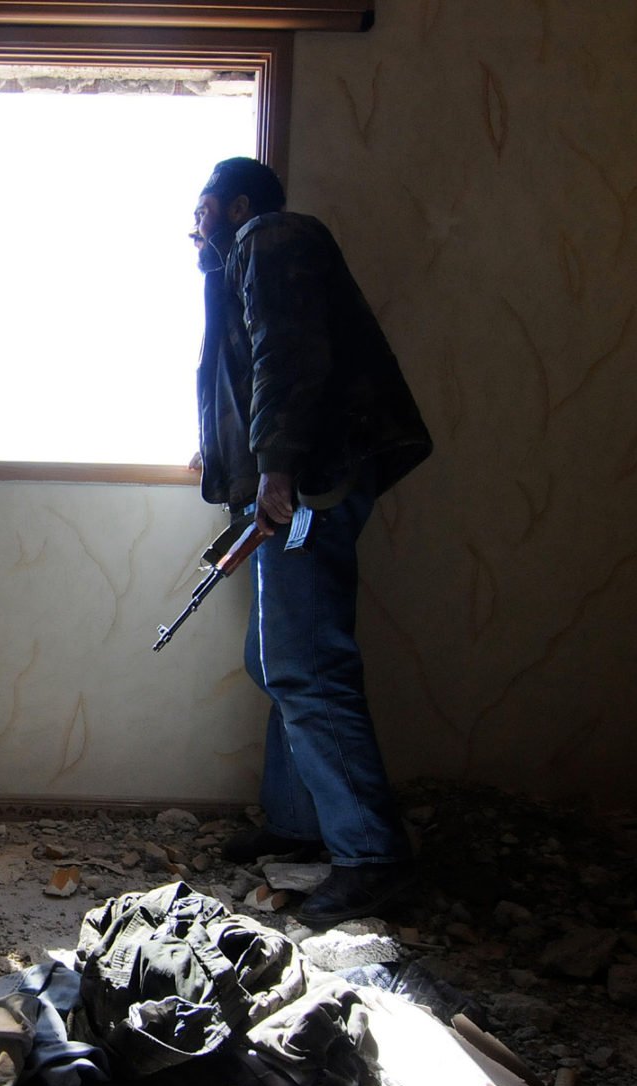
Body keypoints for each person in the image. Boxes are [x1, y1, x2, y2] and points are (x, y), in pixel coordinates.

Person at [189, 156, 432, 928]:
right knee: (276, 658)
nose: (192, 227)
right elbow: (249, 366)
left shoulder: (271, 235)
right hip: (297, 479)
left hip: (307, 482)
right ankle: (299, 820)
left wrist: (275, 469)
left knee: (306, 662)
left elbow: (287, 357)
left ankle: (372, 854)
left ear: (234, 205)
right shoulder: (248, 257)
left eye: (201, 211)